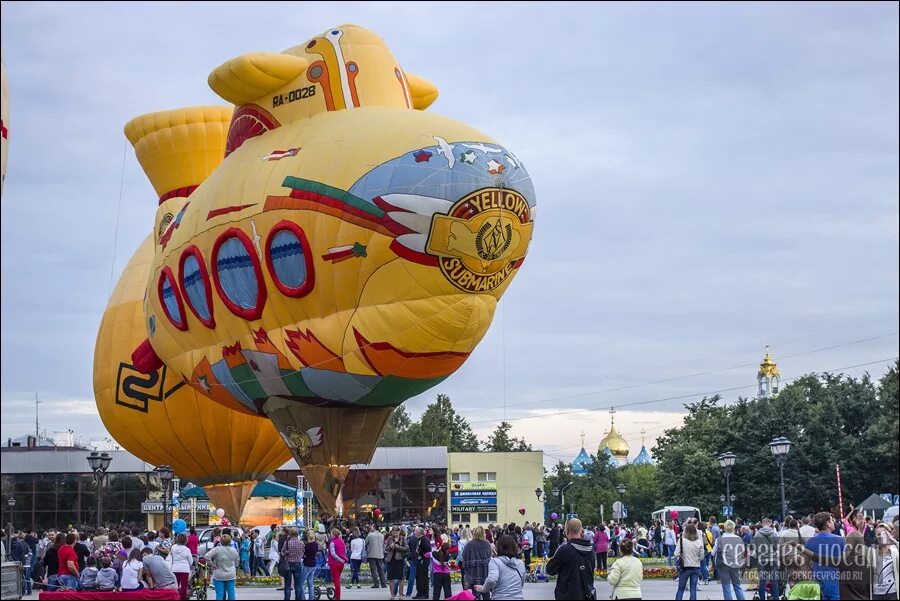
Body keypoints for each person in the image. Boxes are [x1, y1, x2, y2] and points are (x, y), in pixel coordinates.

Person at [546, 518, 596, 601]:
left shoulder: (565, 550)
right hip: (587, 595)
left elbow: (550, 570)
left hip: (567, 595)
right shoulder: (590, 550)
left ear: (567, 531)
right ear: (581, 530)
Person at [804, 512, 845, 601]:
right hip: (836, 584)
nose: (834, 522)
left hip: (817, 585)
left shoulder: (809, 542)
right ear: (828, 524)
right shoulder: (841, 540)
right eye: (832, 520)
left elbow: (805, 565)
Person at [475, 535, 526, 600]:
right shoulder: (520, 563)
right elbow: (521, 583)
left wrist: (483, 589)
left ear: (499, 547)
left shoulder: (495, 562)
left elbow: (492, 579)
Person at [712, 520, 745, 601]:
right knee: (737, 585)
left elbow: (713, 553)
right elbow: (742, 551)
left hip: (723, 565)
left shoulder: (719, 539)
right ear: (733, 528)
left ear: (725, 528)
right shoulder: (739, 539)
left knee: (726, 586)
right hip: (735, 564)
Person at [751, 518, 781, 600]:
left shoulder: (757, 535)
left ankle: (762, 598)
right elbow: (777, 547)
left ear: (762, 524)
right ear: (770, 524)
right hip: (773, 559)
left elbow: (754, 548)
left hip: (762, 560)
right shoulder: (774, 534)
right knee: (774, 581)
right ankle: (775, 598)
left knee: (762, 581)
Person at [673, 522, 704, 601]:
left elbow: (676, 554)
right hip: (696, 567)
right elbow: (702, 557)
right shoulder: (699, 542)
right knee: (693, 589)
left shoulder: (681, 540)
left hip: (685, 567)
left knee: (681, 589)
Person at [461, 526, 493, 599]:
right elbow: (490, 557)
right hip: (485, 572)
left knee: (474, 593)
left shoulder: (469, 544)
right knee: (486, 592)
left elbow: (464, 557)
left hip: (473, 573)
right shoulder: (487, 543)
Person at [205, 532, 239, 600]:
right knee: (231, 593)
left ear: (220, 541)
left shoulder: (217, 549)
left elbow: (207, 556)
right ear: (230, 541)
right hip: (231, 574)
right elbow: (237, 561)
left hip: (219, 574)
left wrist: (212, 564)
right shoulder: (234, 550)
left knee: (219, 594)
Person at [873, 522, 899, 600]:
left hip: (892, 592)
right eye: (878, 534)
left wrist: (894, 541)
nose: (881, 536)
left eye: (884, 533)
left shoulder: (895, 551)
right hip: (877, 593)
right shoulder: (872, 552)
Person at [385, 526, 409, 600]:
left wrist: (398, 547)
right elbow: (385, 548)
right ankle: (392, 595)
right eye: (394, 532)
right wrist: (390, 547)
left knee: (400, 578)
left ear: (399, 532)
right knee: (391, 578)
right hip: (390, 560)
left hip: (399, 560)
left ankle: (401, 595)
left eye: (397, 532)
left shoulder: (403, 538)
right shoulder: (389, 538)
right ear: (391, 532)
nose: (395, 534)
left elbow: (407, 548)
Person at [280, 527, 303, 601]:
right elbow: (303, 552)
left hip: (288, 564)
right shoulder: (301, 543)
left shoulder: (286, 543)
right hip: (298, 563)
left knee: (287, 584)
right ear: (297, 534)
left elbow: (282, 553)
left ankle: (287, 598)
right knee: (298, 584)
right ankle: (298, 598)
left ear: (290, 534)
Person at [171, 532, 194, 600]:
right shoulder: (187, 550)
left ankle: (175, 598)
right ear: (185, 540)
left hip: (175, 568)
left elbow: (171, 557)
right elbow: (191, 561)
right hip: (184, 570)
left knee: (175, 586)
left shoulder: (173, 548)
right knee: (184, 587)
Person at [414, 526, 434, 599]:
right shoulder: (419, 539)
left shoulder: (424, 539)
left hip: (423, 560)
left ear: (419, 532)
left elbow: (428, 549)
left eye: (416, 531)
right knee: (418, 577)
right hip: (420, 560)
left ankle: (424, 594)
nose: (415, 532)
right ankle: (419, 593)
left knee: (423, 577)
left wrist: (419, 552)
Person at [328, 528, 348, 601]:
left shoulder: (332, 542)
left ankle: (338, 597)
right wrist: (343, 560)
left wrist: (339, 559)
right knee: (337, 579)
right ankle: (337, 595)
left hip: (334, 563)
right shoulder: (342, 541)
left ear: (333, 534)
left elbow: (333, 554)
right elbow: (345, 551)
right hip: (341, 564)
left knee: (336, 581)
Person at [366, 524, 387, 589]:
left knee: (373, 570)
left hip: (372, 554)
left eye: (372, 526)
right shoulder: (381, 535)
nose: (371, 527)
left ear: (374, 527)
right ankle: (384, 584)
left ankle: (376, 584)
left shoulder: (370, 535)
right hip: (380, 554)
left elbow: (366, 542)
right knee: (381, 569)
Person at [301, 529, 319, 601]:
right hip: (313, 564)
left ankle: (302, 597)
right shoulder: (316, 544)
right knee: (310, 583)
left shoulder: (307, 545)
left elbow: (304, 555)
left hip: (307, 564)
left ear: (308, 537)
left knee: (301, 582)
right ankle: (311, 597)